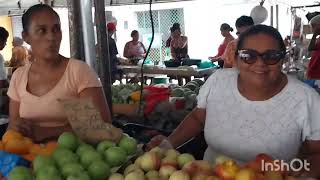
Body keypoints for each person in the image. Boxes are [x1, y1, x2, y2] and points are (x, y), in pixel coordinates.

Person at [147, 25, 320, 178]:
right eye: (248, 56)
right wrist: (167, 144)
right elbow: (198, 118)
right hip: (209, 175)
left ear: (282, 59)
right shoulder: (218, 81)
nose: (260, 63)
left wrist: (305, 173)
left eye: (271, 56)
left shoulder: (306, 99)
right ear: (236, 58)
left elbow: (316, 154)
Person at [6, 4, 111, 142]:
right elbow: (12, 127)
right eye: (42, 30)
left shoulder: (77, 72)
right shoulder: (18, 77)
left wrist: (46, 132)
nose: (51, 37)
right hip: (28, 159)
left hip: (74, 160)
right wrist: (15, 127)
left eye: (56, 29)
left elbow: (101, 126)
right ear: (26, 37)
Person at [306, 15, 320, 80]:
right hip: (314, 73)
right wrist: (314, 35)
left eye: (313, 27)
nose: (312, 29)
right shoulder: (319, 38)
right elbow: (310, 48)